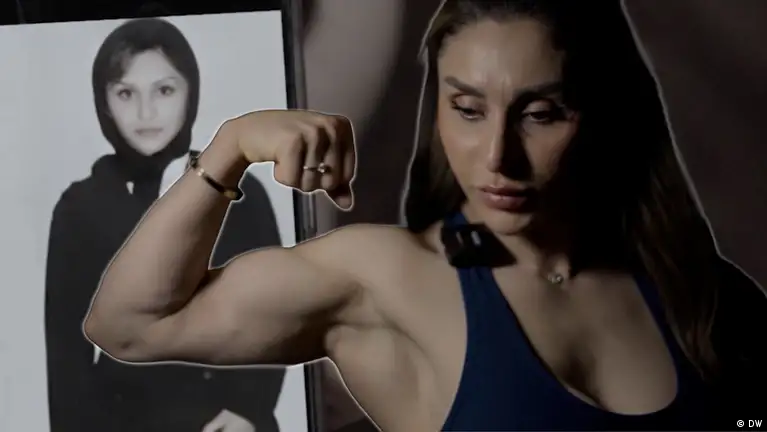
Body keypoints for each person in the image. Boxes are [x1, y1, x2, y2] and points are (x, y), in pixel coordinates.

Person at [84, 1, 767, 431]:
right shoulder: (387, 279)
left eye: (540, 114)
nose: (496, 156)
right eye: (466, 110)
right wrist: (229, 149)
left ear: (603, 115)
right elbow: (129, 326)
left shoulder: (701, 294)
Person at [45, 18, 285, 432]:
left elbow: (276, 309)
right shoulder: (78, 208)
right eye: (126, 93)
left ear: (191, 92)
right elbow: (67, 351)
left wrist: (249, 409)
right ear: (104, 101)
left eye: (165, 90)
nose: (146, 113)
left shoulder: (237, 191)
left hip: (224, 423)